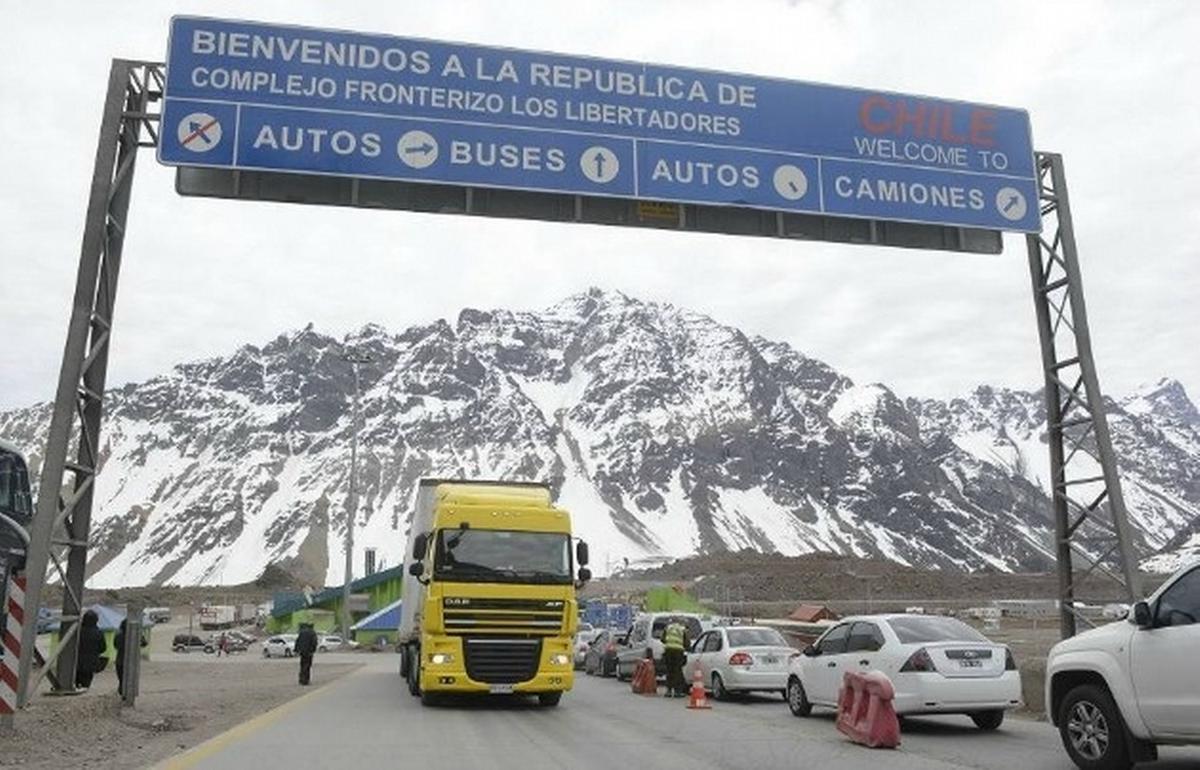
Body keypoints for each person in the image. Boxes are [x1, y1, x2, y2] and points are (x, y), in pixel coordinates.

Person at [114, 619, 147, 698]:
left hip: (120, 661)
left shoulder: (119, 635)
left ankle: (123, 694)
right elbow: (144, 643)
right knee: (130, 680)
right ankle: (127, 694)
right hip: (132, 661)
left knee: (121, 679)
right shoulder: (136, 635)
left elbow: (115, 645)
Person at [75, 609, 107, 690]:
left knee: (76, 682)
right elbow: (103, 648)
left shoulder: (77, 631)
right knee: (86, 684)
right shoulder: (99, 633)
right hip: (91, 662)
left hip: (76, 661)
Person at [662, 618, 689, 698]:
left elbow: (662, 639)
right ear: (679, 623)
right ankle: (678, 691)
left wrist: (669, 643)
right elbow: (687, 642)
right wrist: (686, 647)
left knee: (669, 670)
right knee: (677, 671)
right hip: (678, 651)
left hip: (668, 650)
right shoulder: (682, 629)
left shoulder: (668, 628)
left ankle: (669, 691)